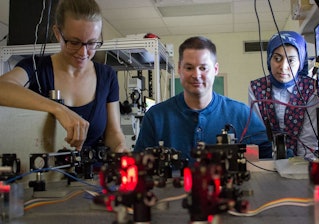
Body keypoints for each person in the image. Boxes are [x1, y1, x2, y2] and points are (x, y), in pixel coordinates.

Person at [0, 0, 127, 152]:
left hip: (91, 174)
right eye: (74, 42)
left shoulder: (107, 76)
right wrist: (58, 109)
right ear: (57, 33)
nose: (83, 53)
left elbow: (113, 133)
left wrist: (120, 148)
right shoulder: (36, 68)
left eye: (92, 43)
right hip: (42, 173)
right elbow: (3, 88)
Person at [134, 36, 272, 164]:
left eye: (203, 68)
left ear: (215, 69)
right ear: (179, 69)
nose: (196, 75)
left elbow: (269, 155)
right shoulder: (156, 117)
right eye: (189, 68)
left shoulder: (241, 114)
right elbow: (140, 165)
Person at [249, 31, 319, 161]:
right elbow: (259, 133)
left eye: (291, 60)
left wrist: (303, 167)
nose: (283, 67)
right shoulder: (256, 87)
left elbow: (309, 137)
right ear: (269, 59)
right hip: (267, 161)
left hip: (302, 161)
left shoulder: (311, 88)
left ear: (300, 62)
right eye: (277, 58)